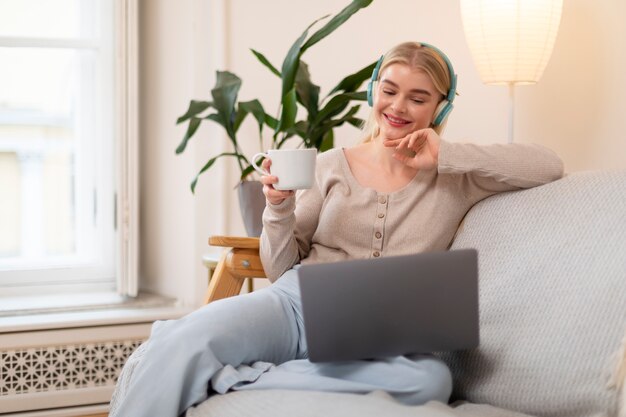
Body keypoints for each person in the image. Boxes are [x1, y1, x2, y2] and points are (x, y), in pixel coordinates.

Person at [109, 41, 564, 417]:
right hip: (295, 307)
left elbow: (548, 164)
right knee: (186, 337)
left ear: (440, 109)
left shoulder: (457, 176)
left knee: (431, 379)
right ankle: (235, 363)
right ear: (372, 93)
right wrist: (277, 208)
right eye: (389, 90)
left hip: (385, 337)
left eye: (418, 98)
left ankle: (242, 376)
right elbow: (280, 265)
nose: (398, 107)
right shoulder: (329, 166)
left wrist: (447, 155)